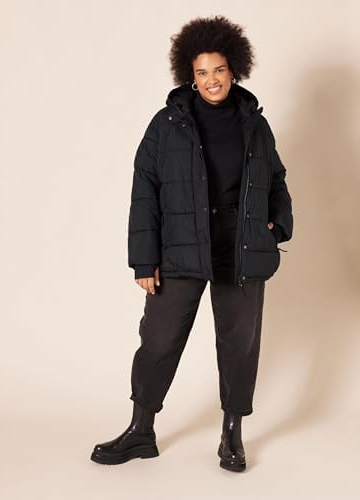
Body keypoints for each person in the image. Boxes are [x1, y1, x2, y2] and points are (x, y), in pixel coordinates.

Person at [90, 15, 293, 472]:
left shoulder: (255, 125)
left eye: (218, 69)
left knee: (239, 346)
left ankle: (232, 435)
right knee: (158, 340)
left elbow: (276, 180)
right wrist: (144, 260)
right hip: (180, 250)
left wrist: (276, 225)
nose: (211, 80)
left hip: (240, 252)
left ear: (234, 69)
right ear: (190, 75)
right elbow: (145, 191)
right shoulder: (166, 125)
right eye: (202, 72)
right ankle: (141, 430)